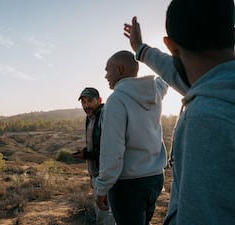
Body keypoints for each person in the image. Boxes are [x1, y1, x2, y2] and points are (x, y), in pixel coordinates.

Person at [123, 0, 235, 224]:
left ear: (170, 45)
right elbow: (177, 73)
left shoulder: (206, 117)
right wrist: (140, 49)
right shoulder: (222, 87)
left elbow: (200, 216)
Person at [95, 50, 168, 225]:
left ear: (120, 69)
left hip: (129, 184)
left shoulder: (116, 100)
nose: (105, 76)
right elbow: (165, 77)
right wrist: (145, 50)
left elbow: (113, 150)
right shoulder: (155, 91)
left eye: (108, 70)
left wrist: (102, 187)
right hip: (155, 179)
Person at [73, 87, 115, 225]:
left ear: (100, 100)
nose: (86, 105)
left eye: (90, 101)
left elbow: (109, 150)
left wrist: (86, 154)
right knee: (102, 214)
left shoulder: (105, 116)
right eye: (83, 102)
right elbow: (96, 144)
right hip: (95, 174)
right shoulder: (90, 118)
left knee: (106, 216)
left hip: (105, 174)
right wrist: (85, 152)